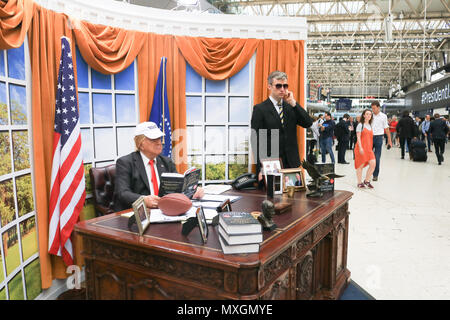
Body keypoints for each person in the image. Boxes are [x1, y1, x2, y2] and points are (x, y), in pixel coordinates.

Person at [114, 121, 204, 211]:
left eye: (159, 138)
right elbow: (123, 193)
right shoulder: (125, 162)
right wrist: (143, 200)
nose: (159, 142)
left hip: (165, 211)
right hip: (139, 214)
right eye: (153, 139)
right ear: (140, 144)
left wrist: (192, 191)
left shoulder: (166, 162)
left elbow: (178, 188)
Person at [251, 71, 313, 184]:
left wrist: (294, 103)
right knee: (272, 199)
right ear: (269, 86)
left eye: (285, 86)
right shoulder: (260, 109)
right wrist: (261, 167)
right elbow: (256, 141)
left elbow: (308, 123)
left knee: (294, 199)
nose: (282, 89)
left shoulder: (291, 107)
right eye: (278, 86)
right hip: (271, 164)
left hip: (292, 164)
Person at [354, 109, 376, 189]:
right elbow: (358, 137)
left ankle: (366, 181)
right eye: (367, 114)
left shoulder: (370, 125)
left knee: (373, 164)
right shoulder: (360, 125)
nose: (368, 116)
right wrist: (360, 147)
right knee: (360, 165)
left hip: (369, 149)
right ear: (364, 115)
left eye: (370, 114)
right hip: (361, 148)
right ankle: (359, 182)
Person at [371, 101, 392, 181]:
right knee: (369, 157)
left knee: (377, 157)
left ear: (378, 107)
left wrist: (389, 141)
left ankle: (375, 175)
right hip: (370, 138)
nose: (373, 110)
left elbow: (386, 129)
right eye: (372, 108)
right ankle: (370, 170)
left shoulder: (383, 116)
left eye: (374, 108)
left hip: (379, 138)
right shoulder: (370, 116)